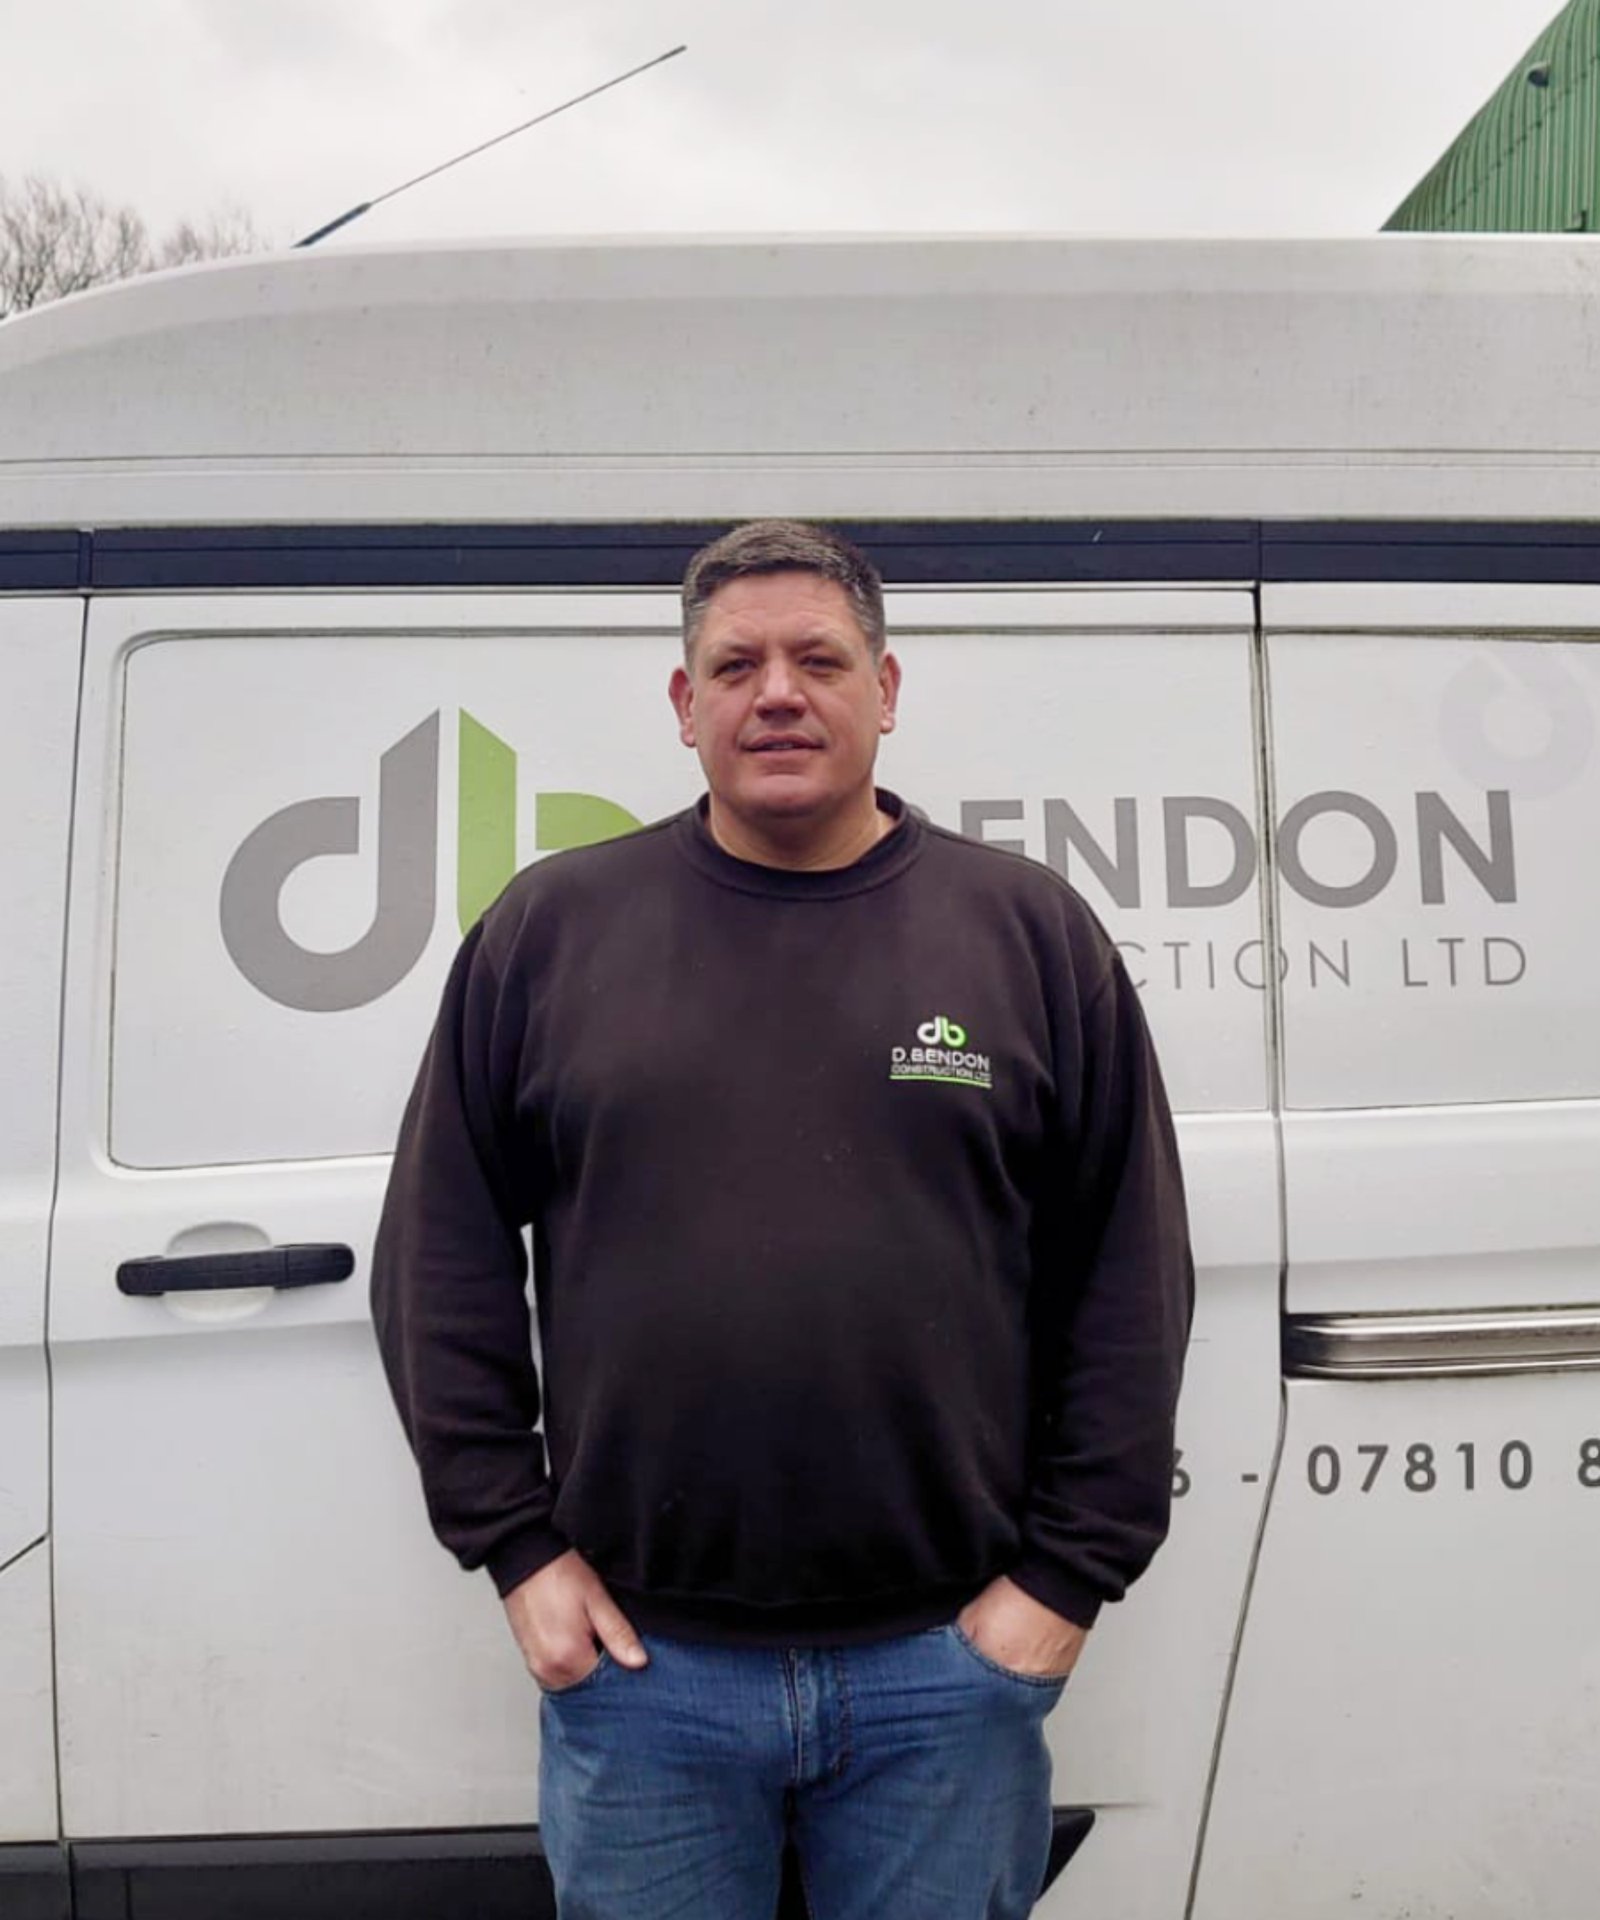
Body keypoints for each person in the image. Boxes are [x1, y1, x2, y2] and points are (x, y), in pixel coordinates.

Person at [371, 519, 1193, 1920]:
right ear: (684, 706)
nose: (778, 692)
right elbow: (437, 1256)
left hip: (947, 1668)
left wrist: (1065, 1580)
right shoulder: (553, 932)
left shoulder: (1026, 935)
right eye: (735, 663)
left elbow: (1129, 1270)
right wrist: (513, 1545)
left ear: (886, 686)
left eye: (819, 658)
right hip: (645, 1677)